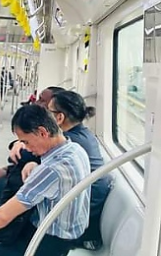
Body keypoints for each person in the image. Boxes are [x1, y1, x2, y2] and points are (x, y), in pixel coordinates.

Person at [0, 105, 91, 256]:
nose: (26, 148)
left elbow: (4, 215)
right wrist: (34, 165)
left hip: (48, 244)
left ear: (42, 132)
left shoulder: (51, 170)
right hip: (68, 233)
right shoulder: (76, 150)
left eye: (26, 142)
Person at [48, 91, 111, 251]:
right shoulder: (82, 134)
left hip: (80, 222)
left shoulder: (70, 142)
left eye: (48, 112)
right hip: (87, 212)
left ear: (59, 117)